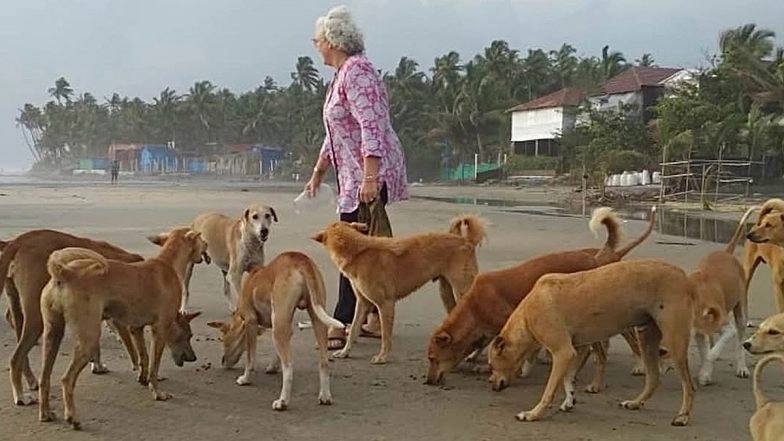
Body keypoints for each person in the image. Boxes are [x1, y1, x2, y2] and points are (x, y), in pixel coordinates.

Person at [305, 5, 409, 350]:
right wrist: (319, 172)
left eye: (317, 39)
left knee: (349, 248)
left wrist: (370, 177)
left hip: (367, 174)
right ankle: (371, 316)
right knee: (362, 247)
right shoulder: (341, 76)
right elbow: (334, 131)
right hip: (351, 176)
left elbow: (371, 126)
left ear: (332, 41)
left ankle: (344, 319)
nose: (315, 44)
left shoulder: (359, 72)